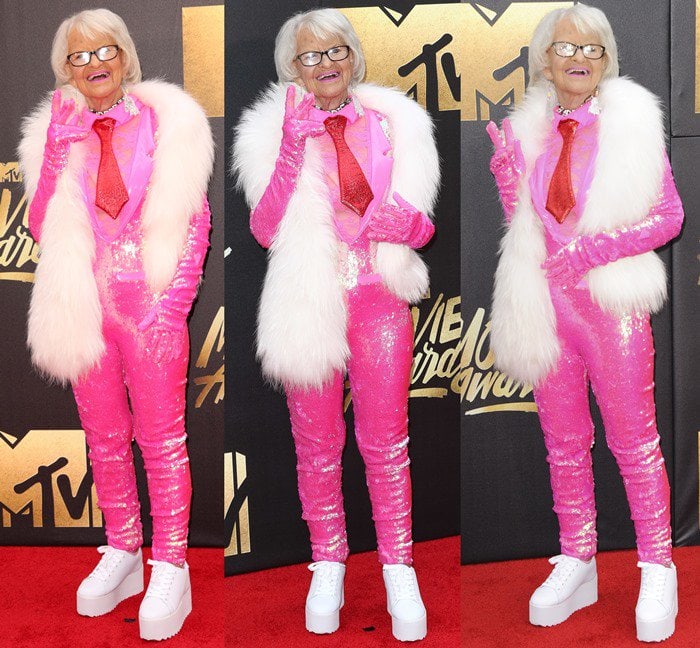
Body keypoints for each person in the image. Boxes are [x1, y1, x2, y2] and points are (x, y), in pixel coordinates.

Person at [232, 8, 439, 642]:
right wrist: (294, 147)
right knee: (316, 445)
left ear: (353, 56)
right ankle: (328, 562)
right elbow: (265, 229)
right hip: (307, 303)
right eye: (309, 57)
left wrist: (405, 225)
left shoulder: (393, 123)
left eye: (335, 53)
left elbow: (423, 224)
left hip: (379, 298)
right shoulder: (270, 133)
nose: (324, 66)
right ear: (291, 69)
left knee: (386, 443)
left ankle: (399, 565)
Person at [487, 3, 683, 643]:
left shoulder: (633, 125)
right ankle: (577, 557)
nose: (579, 58)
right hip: (546, 306)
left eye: (593, 49)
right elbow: (527, 223)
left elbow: (668, 217)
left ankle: (657, 564)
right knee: (563, 441)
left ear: (607, 60)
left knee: (634, 441)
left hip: (610, 304)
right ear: (545, 60)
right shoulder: (529, 130)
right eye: (567, 47)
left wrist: (593, 250)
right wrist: (507, 174)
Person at [18, 8, 213, 641]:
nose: (92, 64)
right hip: (82, 303)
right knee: (104, 437)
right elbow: (41, 226)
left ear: (124, 55)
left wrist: (173, 304)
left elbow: (195, 218)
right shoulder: (58, 130)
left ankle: (171, 563)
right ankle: (123, 548)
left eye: (102, 50)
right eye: (77, 57)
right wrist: (50, 157)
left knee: (162, 440)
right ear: (64, 69)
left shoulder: (168, 123)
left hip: (149, 305)